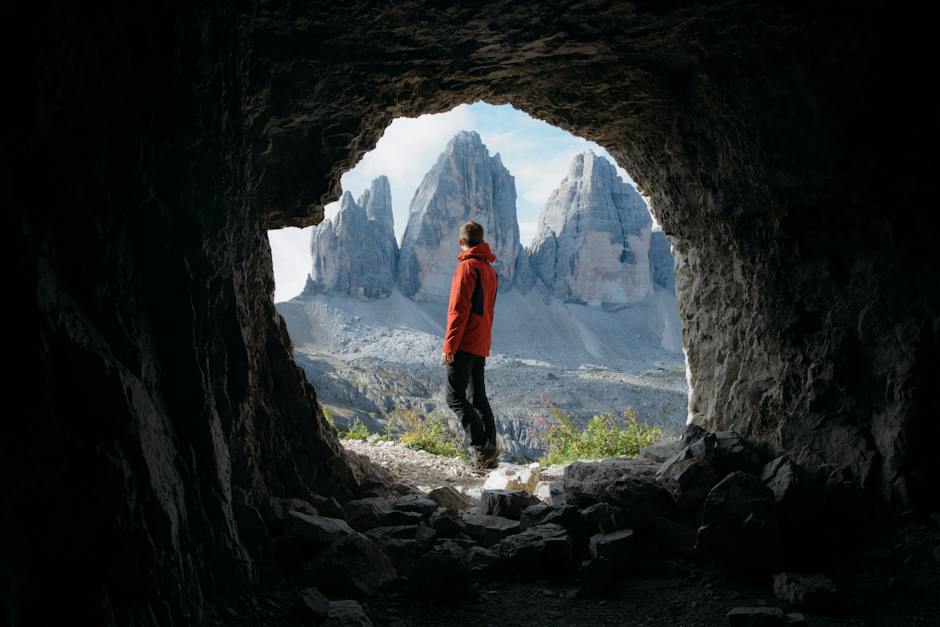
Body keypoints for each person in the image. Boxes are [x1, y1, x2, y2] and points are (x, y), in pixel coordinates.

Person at [442, 220, 500, 471]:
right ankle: (491, 453)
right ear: (482, 239)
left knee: (454, 397)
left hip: (465, 341)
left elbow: (458, 309)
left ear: (461, 241)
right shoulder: (489, 269)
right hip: (481, 339)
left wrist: (449, 346)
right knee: (478, 398)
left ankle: (481, 448)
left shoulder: (467, 267)